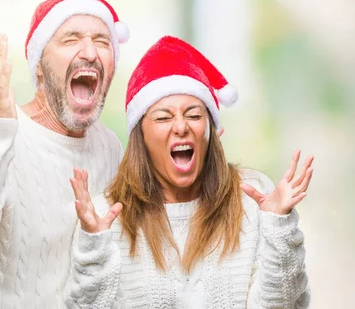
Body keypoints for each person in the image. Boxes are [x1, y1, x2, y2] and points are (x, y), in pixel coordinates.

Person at [68, 36, 313, 308]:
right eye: (163, 117)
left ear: (210, 130)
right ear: (142, 136)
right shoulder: (106, 216)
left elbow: (287, 305)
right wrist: (94, 250)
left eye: (194, 115)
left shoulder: (254, 198)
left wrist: (280, 226)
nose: (181, 127)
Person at [0, 0, 130, 308]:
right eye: (70, 39)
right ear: (38, 66)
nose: (90, 51)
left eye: (103, 41)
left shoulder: (110, 148)